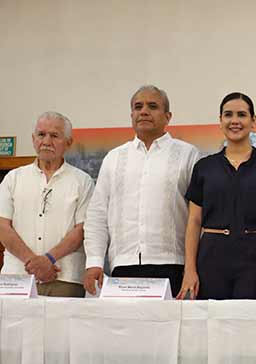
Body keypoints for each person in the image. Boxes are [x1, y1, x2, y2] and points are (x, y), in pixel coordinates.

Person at [83, 85, 201, 297]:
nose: (144, 111)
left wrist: (192, 268)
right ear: (131, 115)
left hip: (173, 265)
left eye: (152, 106)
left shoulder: (188, 155)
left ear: (168, 116)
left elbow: (199, 216)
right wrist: (94, 262)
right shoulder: (114, 158)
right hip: (123, 265)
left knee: (171, 329)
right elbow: (97, 215)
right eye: (138, 107)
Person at [178, 92, 256, 300]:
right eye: (228, 115)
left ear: (253, 121)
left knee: (250, 325)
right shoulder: (204, 167)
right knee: (211, 325)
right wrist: (189, 269)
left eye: (242, 115)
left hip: (255, 258)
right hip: (211, 258)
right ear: (220, 121)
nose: (234, 121)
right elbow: (194, 221)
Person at [0, 112, 94, 297]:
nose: (47, 141)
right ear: (33, 139)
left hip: (64, 277)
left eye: (55, 135)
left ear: (68, 142)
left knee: (63, 327)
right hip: (17, 277)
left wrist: (49, 259)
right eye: (41, 135)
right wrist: (34, 262)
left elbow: (81, 229)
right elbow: (3, 227)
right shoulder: (13, 178)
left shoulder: (82, 181)